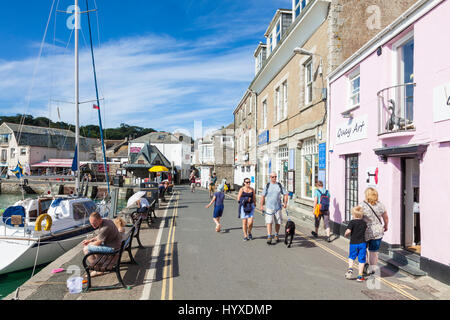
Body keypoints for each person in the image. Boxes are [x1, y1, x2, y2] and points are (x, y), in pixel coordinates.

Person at [82, 212, 122, 277]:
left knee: (86, 249)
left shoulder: (105, 227)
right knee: (92, 247)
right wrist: (90, 240)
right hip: (116, 245)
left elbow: (97, 243)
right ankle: (100, 263)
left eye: (94, 223)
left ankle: (98, 270)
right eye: (91, 223)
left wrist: (88, 244)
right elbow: (100, 236)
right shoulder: (106, 221)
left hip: (114, 249)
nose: (93, 225)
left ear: (100, 219)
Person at [361, 187, 389, 276]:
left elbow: (358, 218)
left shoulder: (362, 205)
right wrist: (386, 225)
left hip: (365, 231)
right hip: (377, 231)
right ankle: (372, 269)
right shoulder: (381, 205)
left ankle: (365, 265)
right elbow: (386, 217)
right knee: (374, 251)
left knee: (363, 249)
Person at [260, 172, 288, 245]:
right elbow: (263, 196)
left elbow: (285, 194)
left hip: (278, 207)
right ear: (270, 177)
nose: (274, 178)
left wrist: (285, 203)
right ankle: (269, 236)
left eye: (275, 176)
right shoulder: (267, 185)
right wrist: (261, 206)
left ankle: (276, 234)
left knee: (278, 222)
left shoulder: (279, 185)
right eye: (273, 177)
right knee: (269, 222)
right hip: (269, 207)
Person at [344, 206, 368, 282]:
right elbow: (366, 231)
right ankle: (360, 276)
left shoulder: (352, 222)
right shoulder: (364, 223)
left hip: (353, 243)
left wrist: (346, 234)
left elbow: (348, 231)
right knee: (361, 260)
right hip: (362, 243)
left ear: (353, 215)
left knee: (351, 257)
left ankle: (350, 268)